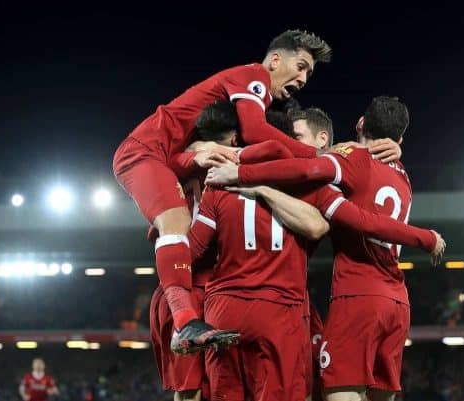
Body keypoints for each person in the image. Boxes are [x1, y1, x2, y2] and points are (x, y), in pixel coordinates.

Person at [206, 96, 446, 401]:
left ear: (360, 124)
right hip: (397, 301)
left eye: (296, 138)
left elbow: (314, 177)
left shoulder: (346, 164)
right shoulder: (402, 174)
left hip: (354, 298)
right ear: (398, 139)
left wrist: (242, 175)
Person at [112, 29, 333, 354]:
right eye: (300, 66)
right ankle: (183, 321)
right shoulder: (254, 76)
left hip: (165, 158)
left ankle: (184, 318)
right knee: (176, 223)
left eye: (309, 73)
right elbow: (255, 132)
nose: (303, 77)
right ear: (274, 60)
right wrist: (317, 158)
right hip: (145, 151)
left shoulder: (248, 99)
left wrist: (193, 158)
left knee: (179, 224)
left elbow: (237, 143)